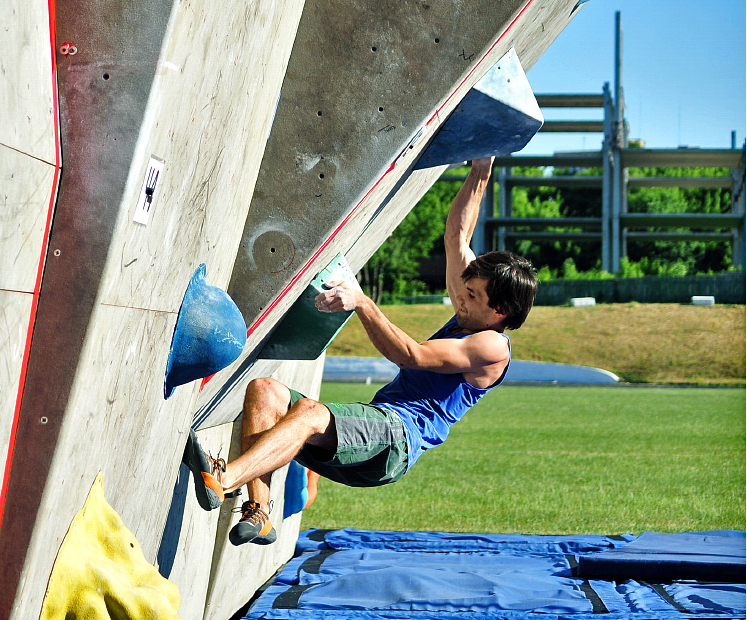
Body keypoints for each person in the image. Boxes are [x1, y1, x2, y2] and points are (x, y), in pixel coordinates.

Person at [183, 156, 538, 546]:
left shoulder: (491, 346)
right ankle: (261, 513)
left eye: (471, 296)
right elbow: (457, 236)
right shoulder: (474, 311)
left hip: (396, 439)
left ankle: (225, 478)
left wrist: (362, 303)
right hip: (375, 427)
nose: (461, 299)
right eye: (464, 290)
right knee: (265, 391)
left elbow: (413, 356)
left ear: (500, 311)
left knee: (311, 412)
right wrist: (480, 170)